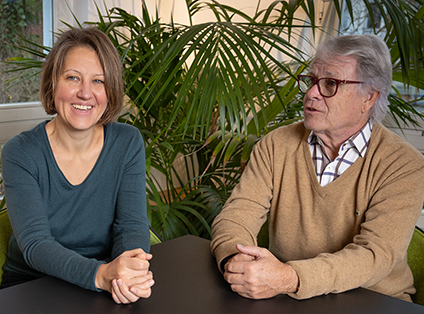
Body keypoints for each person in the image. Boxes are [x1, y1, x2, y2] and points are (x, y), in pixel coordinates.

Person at [210, 34, 424, 302]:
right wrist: (236, 259)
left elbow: (374, 256)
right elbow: (236, 215)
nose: (311, 94)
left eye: (330, 84)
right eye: (311, 81)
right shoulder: (275, 145)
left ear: (368, 98)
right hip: (286, 296)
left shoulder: (403, 164)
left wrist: (291, 277)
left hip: (373, 300)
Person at [1, 27, 153, 304]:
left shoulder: (128, 142)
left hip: (108, 279)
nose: (85, 93)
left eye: (98, 81)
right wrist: (101, 275)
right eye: (73, 78)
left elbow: (131, 225)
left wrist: (129, 269)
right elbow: (36, 245)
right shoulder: (19, 152)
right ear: (52, 84)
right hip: (33, 285)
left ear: (111, 90)